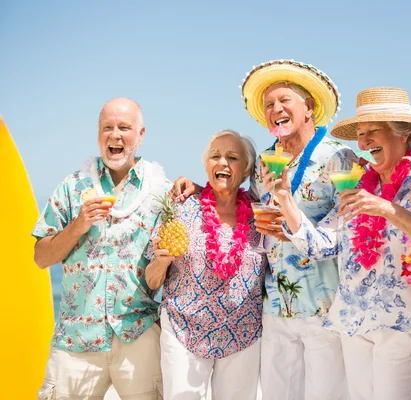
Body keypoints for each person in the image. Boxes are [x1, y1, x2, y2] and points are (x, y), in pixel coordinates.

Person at [174, 60, 355, 400]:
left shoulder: (340, 157)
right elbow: (241, 201)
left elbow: (345, 233)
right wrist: (199, 189)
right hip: (275, 307)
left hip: (326, 308)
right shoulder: (264, 162)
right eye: (270, 105)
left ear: (309, 108)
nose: (276, 110)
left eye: (285, 101)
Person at [267, 86, 411, 399]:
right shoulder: (359, 188)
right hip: (351, 325)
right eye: (360, 133)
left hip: (397, 327)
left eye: (373, 131)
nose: (363, 142)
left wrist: (388, 209)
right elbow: (320, 246)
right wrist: (285, 200)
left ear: (402, 134)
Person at [33, 97, 171, 399]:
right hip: (76, 337)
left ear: (141, 134)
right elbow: (41, 257)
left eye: (124, 127)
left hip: (138, 332)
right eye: (107, 127)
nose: (115, 134)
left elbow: (159, 276)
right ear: (98, 135)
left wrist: (163, 261)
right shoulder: (73, 186)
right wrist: (78, 225)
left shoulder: (160, 192)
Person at [145, 129, 266, 400]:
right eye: (215, 156)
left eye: (232, 157)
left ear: (246, 170)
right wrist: (162, 261)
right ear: (206, 165)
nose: (222, 162)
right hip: (184, 332)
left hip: (243, 334)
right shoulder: (181, 209)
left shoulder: (260, 216)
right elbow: (152, 281)